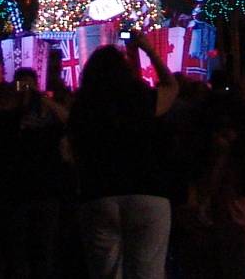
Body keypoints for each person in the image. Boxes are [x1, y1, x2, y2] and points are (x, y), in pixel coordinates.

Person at [66, 38, 179, 279]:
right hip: (147, 191)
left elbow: (73, 153)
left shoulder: (83, 108)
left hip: (98, 193)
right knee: (148, 272)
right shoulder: (142, 99)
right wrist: (147, 49)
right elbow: (172, 87)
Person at [0, 67, 66, 279]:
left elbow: (68, 120)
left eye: (29, 85)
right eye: (21, 85)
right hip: (15, 194)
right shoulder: (6, 118)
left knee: (43, 252)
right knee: (16, 254)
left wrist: (43, 100)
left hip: (45, 192)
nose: (25, 90)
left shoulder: (49, 119)